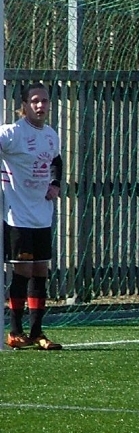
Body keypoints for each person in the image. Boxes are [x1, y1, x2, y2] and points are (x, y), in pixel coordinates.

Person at [2, 83, 64, 350]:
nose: (41, 105)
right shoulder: (12, 133)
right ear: (24, 105)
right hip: (17, 214)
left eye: (45, 101)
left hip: (42, 213)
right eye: (35, 101)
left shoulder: (50, 135)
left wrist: (55, 184)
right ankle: (15, 331)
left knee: (41, 270)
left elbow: (56, 161)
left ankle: (37, 333)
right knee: (23, 270)